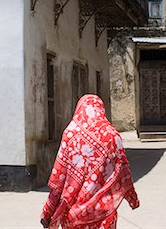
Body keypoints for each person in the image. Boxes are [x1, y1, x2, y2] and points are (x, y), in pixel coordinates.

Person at [41, 94, 139, 229]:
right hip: (104, 215)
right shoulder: (112, 135)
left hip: (74, 217)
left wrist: (47, 212)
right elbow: (124, 172)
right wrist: (133, 199)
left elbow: (59, 179)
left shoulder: (70, 134)